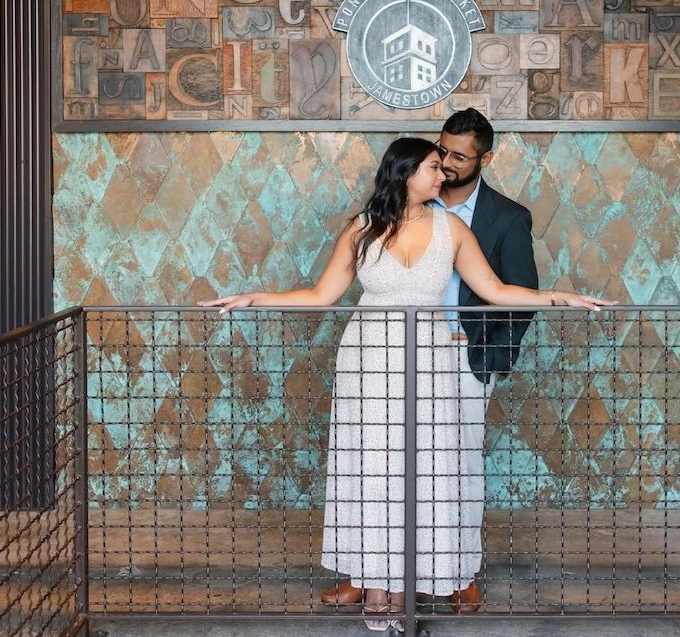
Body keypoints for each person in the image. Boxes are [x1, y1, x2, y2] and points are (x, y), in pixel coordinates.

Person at [200, 137, 613, 631]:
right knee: (374, 467)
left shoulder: (451, 228)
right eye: (434, 167)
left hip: (431, 360)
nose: (443, 175)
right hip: (368, 359)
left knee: (425, 468)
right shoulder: (362, 229)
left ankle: (412, 585)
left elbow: (495, 289)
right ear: (405, 172)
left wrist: (560, 298)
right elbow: (321, 294)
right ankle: (377, 589)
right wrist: (255, 298)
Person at [319, 108, 537, 615]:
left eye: (457, 157)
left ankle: (455, 574)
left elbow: (513, 292)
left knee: (454, 469)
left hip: (461, 354)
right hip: (382, 354)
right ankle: (370, 573)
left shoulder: (504, 216)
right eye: (440, 155)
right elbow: (331, 286)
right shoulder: (388, 215)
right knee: (376, 462)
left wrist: (493, 356)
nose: (447, 165)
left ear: (484, 159)